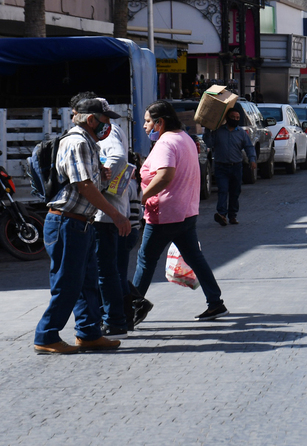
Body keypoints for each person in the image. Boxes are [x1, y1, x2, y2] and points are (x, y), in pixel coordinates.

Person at [33, 97, 130, 354]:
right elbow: (83, 186)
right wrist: (116, 215)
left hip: (80, 224)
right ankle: (46, 335)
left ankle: (89, 334)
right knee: (68, 283)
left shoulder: (88, 143)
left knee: (86, 282)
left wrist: (101, 174)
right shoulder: (78, 142)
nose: (107, 127)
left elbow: (86, 180)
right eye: (105, 121)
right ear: (91, 120)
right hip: (67, 223)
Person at [132, 101, 228, 323]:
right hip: (185, 211)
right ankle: (215, 302)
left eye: (148, 121)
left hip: (165, 212)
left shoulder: (166, 142)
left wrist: (142, 197)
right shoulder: (184, 138)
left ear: (160, 122)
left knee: (146, 260)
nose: (145, 126)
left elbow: (165, 175)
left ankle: (133, 307)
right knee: (195, 257)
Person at [73, 93, 135, 339]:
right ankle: (120, 317)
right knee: (112, 270)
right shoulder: (109, 132)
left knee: (104, 271)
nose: (105, 124)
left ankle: (115, 320)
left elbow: (118, 158)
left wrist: (101, 184)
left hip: (105, 215)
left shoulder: (106, 135)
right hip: (111, 212)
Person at [203, 106, 256, 226]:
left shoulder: (241, 133)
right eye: (233, 117)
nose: (235, 119)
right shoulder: (218, 131)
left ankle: (233, 215)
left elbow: (249, 147)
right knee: (222, 190)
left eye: (237, 118)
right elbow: (209, 143)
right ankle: (222, 214)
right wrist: (207, 130)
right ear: (227, 118)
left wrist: (252, 159)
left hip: (236, 167)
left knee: (235, 192)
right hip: (221, 166)